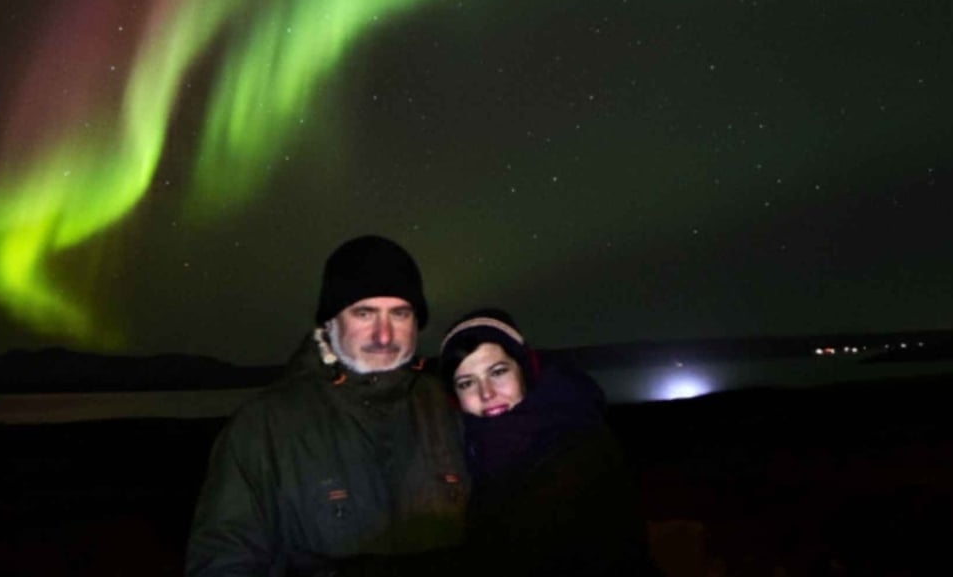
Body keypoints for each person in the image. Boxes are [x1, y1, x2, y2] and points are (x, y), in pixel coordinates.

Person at [187, 234, 469, 576]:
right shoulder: (264, 425)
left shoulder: (452, 406)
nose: (384, 335)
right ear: (331, 321)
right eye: (364, 313)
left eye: (399, 314)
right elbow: (224, 559)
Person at [438, 309, 658, 576]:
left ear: (524, 370)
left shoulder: (577, 445)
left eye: (497, 372)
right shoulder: (467, 454)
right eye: (466, 383)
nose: (487, 394)